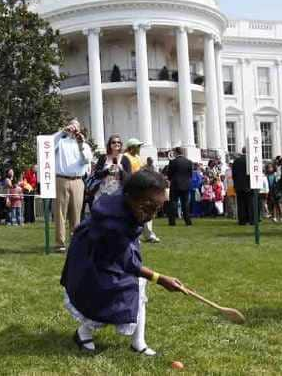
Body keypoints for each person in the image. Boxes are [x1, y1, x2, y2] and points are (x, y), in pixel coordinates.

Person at [61, 169, 186, 355]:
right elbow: (128, 263)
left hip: (107, 252)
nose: (151, 215)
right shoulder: (113, 222)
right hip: (92, 259)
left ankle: (138, 342)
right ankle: (83, 332)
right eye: (148, 207)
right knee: (107, 295)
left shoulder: (130, 204)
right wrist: (160, 278)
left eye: (157, 209)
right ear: (130, 197)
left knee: (136, 285)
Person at [53, 118, 94, 253]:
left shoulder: (85, 145)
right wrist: (63, 131)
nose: (73, 130)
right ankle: (60, 243)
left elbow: (86, 160)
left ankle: (75, 242)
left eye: (76, 127)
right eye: (71, 127)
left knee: (76, 214)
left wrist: (80, 144)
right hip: (61, 179)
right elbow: (48, 145)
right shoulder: (61, 142)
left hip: (77, 180)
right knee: (60, 213)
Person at [122, 138, 161, 243]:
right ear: (132, 148)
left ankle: (149, 234)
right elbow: (127, 174)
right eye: (137, 146)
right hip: (132, 188)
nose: (139, 148)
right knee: (134, 212)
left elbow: (143, 170)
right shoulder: (125, 158)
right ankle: (135, 235)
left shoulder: (138, 158)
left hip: (142, 187)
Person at [92, 135, 128, 202]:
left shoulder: (125, 158)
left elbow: (129, 177)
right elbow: (96, 174)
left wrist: (121, 170)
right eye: (113, 142)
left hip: (119, 193)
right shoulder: (103, 157)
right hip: (103, 192)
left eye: (118, 142)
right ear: (109, 144)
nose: (116, 144)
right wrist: (107, 171)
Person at [166, 147, 193, 226]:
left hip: (175, 185)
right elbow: (190, 175)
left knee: (173, 203)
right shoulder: (188, 162)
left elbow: (169, 175)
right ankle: (188, 221)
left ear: (176, 153)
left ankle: (172, 222)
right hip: (186, 185)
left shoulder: (173, 162)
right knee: (185, 204)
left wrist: (172, 179)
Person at [232, 148, 254, 225]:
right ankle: (251, 219)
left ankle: (242, 220)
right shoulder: (251, 160)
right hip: (249, 185)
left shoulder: (236, 161)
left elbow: (233, 175)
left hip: (239, 185)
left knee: (241, 204)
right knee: (250, 203)